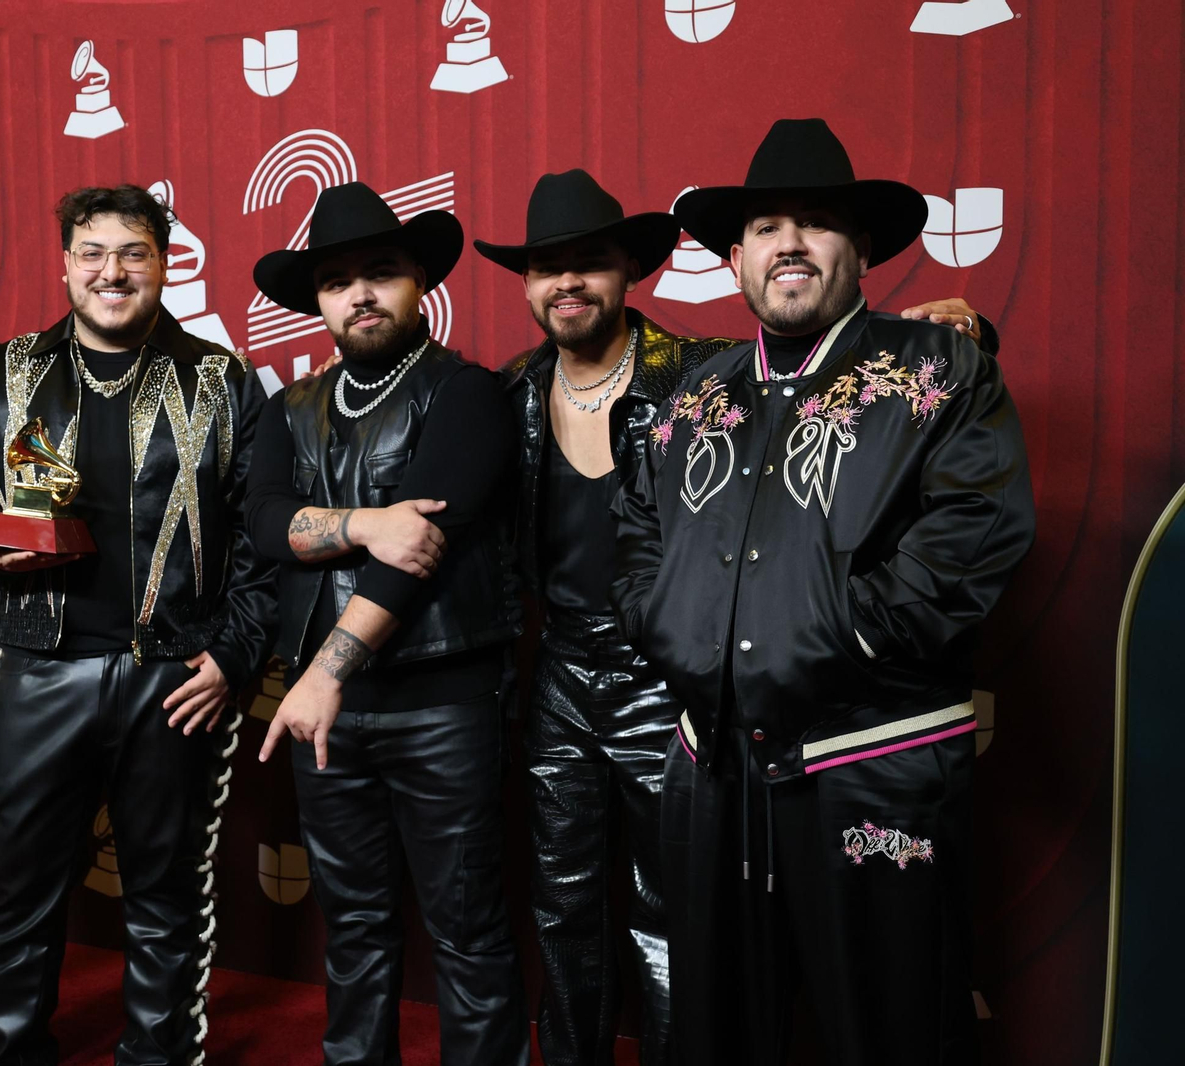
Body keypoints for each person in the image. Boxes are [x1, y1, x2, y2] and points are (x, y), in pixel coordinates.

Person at [474, 169, 996, 1066]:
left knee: (692, 921)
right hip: (598, 682)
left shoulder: (699, 370)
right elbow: (616, 528)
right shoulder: (522, 389)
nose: (568, 282)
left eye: (589, 261)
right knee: (576, 911)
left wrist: (969, 339)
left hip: (713, 692)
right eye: (547, 267)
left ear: (630, 272)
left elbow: (942, 497)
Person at [612, 118, 1036, 1065]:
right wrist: (667, 628)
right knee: (715, 1034)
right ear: (736, 259)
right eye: (766, 227)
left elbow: (971, 538)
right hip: (710, 769)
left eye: (816, 222)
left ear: (862, 250)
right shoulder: (692, 398)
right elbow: (636, 539)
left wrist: (831, 639)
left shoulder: (940, 370)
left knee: (890, 1030)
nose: (790, 243)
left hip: (871, 762)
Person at [0, 184, 276, 1066]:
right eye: (92, 252)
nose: (111, 271)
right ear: (65, 265)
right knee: (13, 898)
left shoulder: (221, 380)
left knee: (167, 900)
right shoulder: (5, 372)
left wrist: (232, 655)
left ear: (163, 264)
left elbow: (263, 536)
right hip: (36, 669)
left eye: (132, 253)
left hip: (175, 677)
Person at [246, 182, 530, 1065]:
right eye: (337, 282)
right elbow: (263, 523)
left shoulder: (467, 392)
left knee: (468, 932)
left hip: (441, 706)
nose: (360, 294)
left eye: (380, 273)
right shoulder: (289, 409)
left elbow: (416, 554)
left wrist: (322, 675)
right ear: (317, 302)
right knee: (354, 930)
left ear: (419, 283)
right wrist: (366, 522)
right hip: (327, 717)